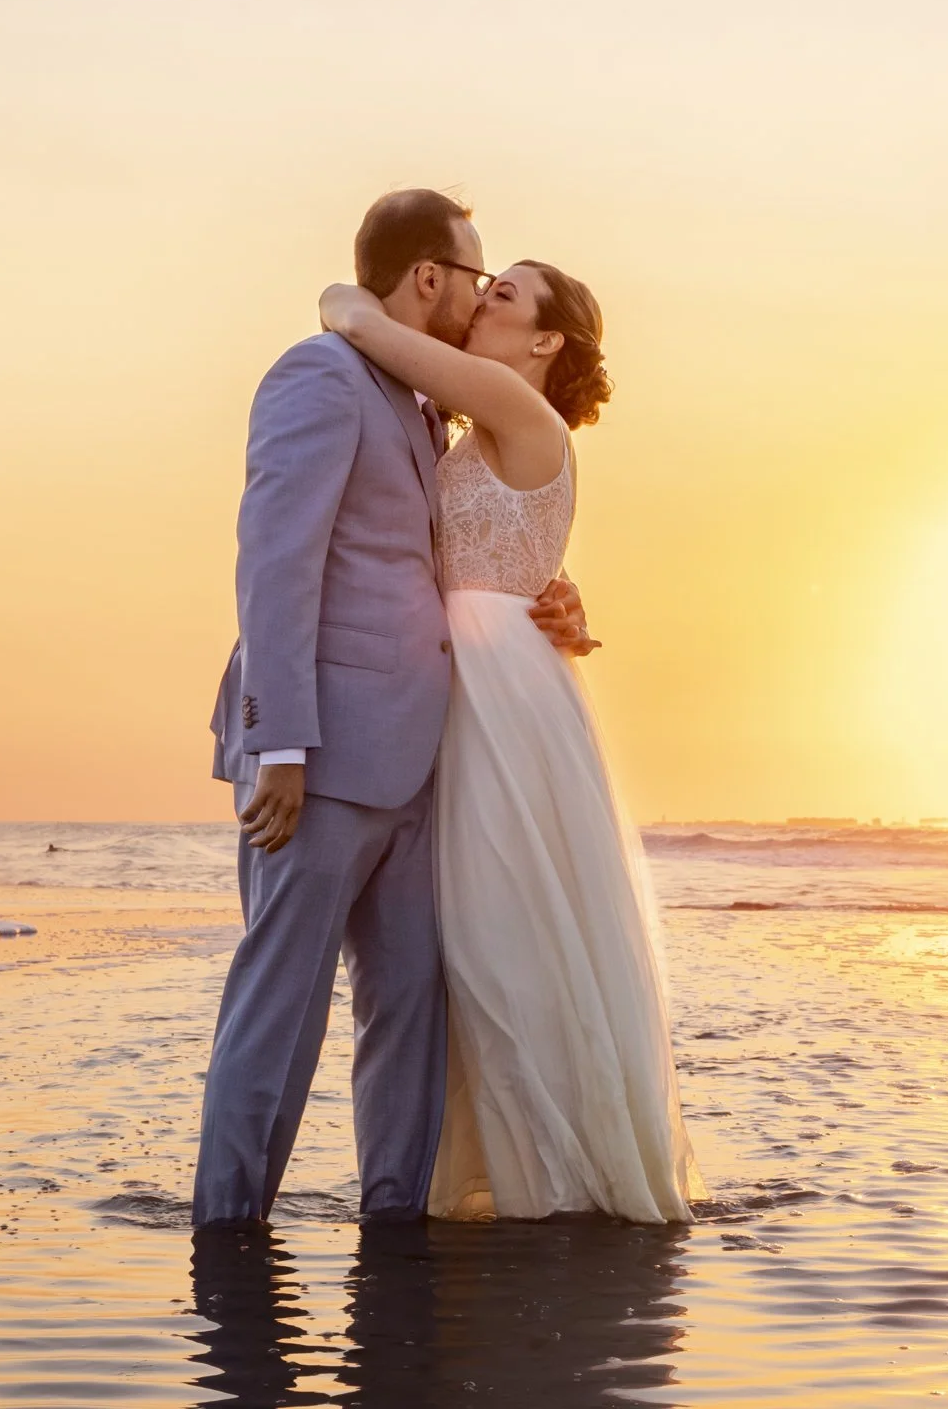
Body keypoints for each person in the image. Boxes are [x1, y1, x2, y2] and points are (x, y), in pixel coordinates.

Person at [193, 189, 593, 1230]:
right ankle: (228, 1233)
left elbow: (458, 553)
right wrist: (280, 736)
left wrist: (546, 603)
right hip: (318, 756)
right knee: (281, 1009)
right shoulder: (320, 376)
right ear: (430, 277)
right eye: (475, 276)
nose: (477, 295)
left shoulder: (427, 407)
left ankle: (395, 1228)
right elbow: (276, 564)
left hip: (428, 758)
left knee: (410, 1010)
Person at [319, 261, 700, 1223]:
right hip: (483, 680)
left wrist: (346, 299)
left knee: (502, 941)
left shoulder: (510, 403)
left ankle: (552, 1188)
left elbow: (367, 329)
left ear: (545, 342)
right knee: (488, 936)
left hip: (500, 698)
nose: (481, 296)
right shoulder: (491, 425)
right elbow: (508, 548)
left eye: (504, 293)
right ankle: (499, 1176)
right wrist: (562, 592)